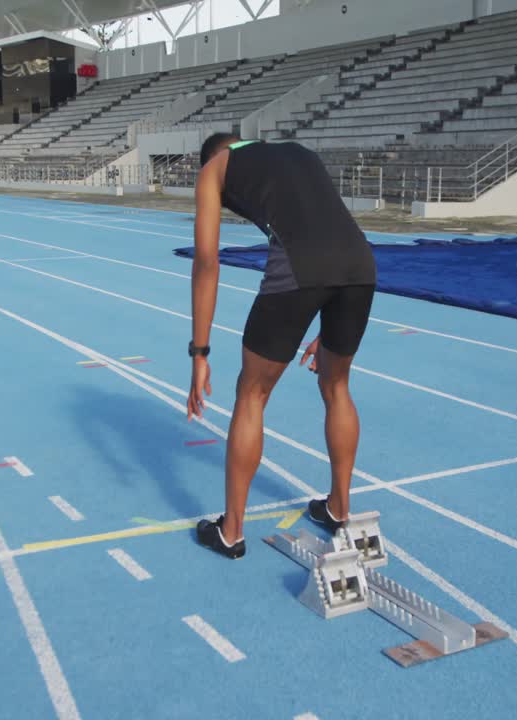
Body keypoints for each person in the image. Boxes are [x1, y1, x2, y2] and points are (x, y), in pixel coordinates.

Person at [186, 133, 377, 559]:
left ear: (217, 154)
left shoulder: (214, 168)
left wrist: (200, 353)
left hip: (300, 266)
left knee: (252, 393)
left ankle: (231, 532)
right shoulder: (297, 152)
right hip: (359, 265)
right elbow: (328, 224)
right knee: (337, 385)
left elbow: (207, 261)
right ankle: (338, 508)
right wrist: (327, 319)